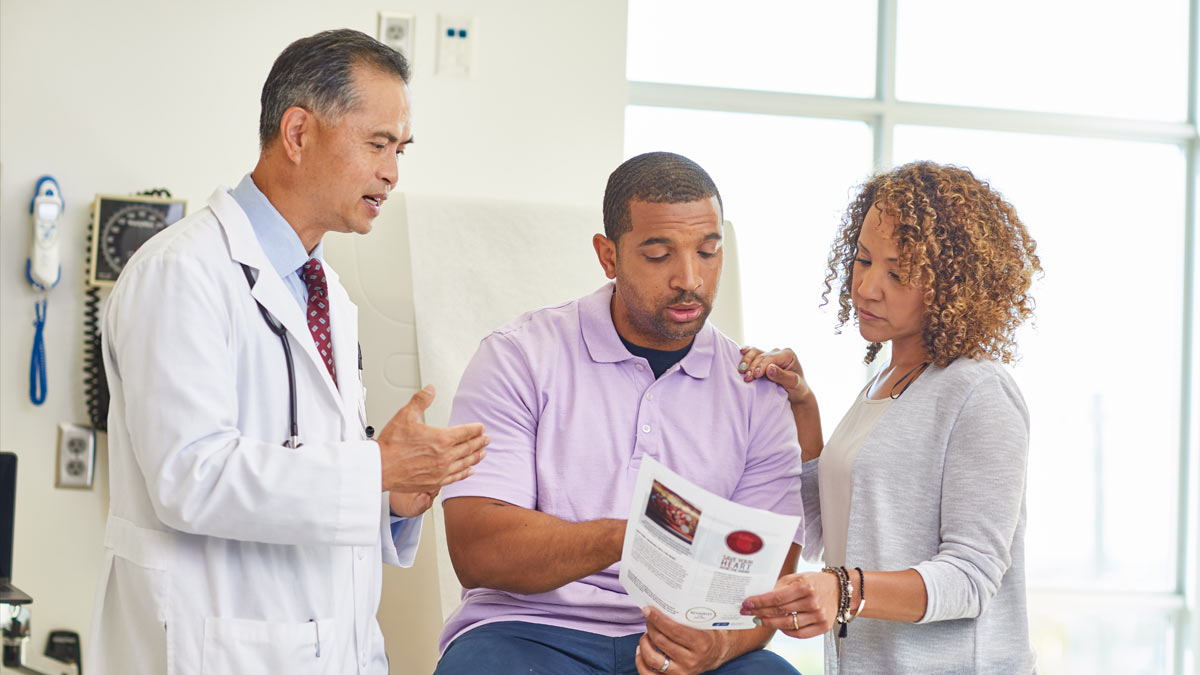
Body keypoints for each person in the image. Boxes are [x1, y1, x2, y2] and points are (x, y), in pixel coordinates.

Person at [87, 29, 488, 674]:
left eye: (400, 149)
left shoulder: (326, 290)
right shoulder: (181, 272)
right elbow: (190, 477)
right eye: (377, 144)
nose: (391, 172)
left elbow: (312, 469)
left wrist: (390, 497)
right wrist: (374, 472)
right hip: (211, 646)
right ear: (298, 133)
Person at [432, 152, 806, 675]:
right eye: (659, 255)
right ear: (608, 257)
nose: (690, 279)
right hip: (528, 631)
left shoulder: (756, 391)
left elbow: (768, 583)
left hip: (683, 639)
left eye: (708, 252)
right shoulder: (518, 357)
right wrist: (632, 534)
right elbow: (478, 549)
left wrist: (714, 648)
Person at [738, 161, 1041, 673]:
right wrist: (803, 405)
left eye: (897, 273)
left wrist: (843, 590)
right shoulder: (883, 382)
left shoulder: (980, 393)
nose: (866, 287)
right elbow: (830, 529)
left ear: (952, 283)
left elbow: (970, 578)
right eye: (861, 260)